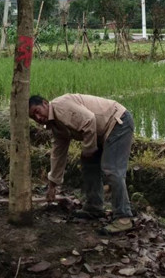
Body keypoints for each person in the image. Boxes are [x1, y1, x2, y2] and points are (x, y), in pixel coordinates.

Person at [29, 93, 135, 234]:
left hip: (117, 122)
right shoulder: (56, 125)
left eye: (37, 111)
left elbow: (89, 120)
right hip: (100, 131)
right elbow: (58, 154)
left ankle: (123, 218)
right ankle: (94, 207)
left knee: (112, 169)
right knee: (88, 164)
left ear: (44, 103)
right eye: (33, 117)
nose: (38, 118)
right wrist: (52, 185)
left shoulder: (61, 107)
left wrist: (89, 149)